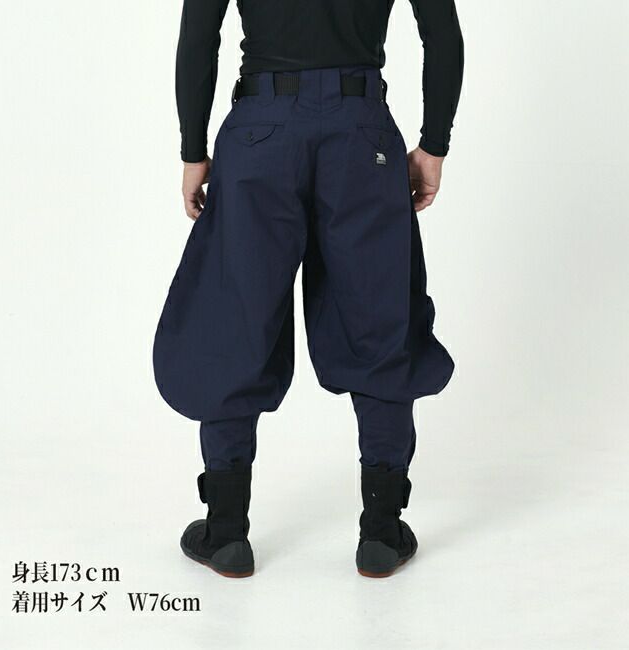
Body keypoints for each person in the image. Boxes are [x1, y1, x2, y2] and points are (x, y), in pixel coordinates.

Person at [154, 0, 464, 578]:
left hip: (260, 133)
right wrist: (434, 145)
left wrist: (193, 150)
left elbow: (199, 36)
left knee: (235, 320)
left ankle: (226, 532)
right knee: (380, 321)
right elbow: (442, 33)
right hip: (361, 131)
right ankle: (381, 532)